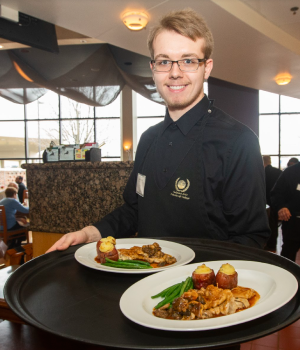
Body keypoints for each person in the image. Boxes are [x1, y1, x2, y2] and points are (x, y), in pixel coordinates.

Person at [47, 8, 270, 253]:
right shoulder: (148, 139)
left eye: (188, 61)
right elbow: (134, 211)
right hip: (143, 284)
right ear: (153, 69)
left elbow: (250, 239)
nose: (175, 73)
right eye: (164, 61)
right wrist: (91, 233)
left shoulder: (239, 142)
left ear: (206, 68)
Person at [271, 161, 300, 262]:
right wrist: (281, 207)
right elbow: (276, 193)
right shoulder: (291, 172)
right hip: (293, 222)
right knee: (288, 257)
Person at [262, 155, 282, 252]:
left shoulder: (261, 172)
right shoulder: (279, 172)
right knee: (274, 224)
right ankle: (272, 244)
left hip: (264, 203)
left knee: (267, 224)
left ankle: (266, 244)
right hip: (276, 203)